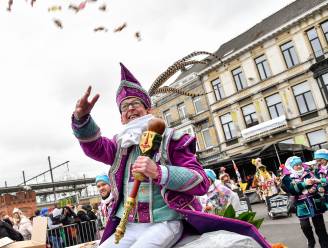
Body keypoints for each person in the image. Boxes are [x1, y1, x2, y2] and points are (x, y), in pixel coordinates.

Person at [71, 63, 271, 247]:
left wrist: (159, 172)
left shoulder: (173, 139)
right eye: (124, 106)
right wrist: (82, 119)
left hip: (165, 221)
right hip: (128, 225)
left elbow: (200, 181)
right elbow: (94, 146)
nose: (130, 108)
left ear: (149, 109)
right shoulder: (119, 144)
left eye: (135, 103)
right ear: (121, 117)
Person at [282, 156, 328, 248]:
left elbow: (317, 183)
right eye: (296, 165)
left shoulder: (309, 172)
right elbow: (292, 190)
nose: (299, 166)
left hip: (315, 202)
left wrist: (315, 188)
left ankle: (325, 245)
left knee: (320, 227)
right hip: (301, 204)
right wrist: (304, 184)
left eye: (300, 164)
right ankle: (311, 240)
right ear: (291, 166)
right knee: (305, 226)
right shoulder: (287, 178)